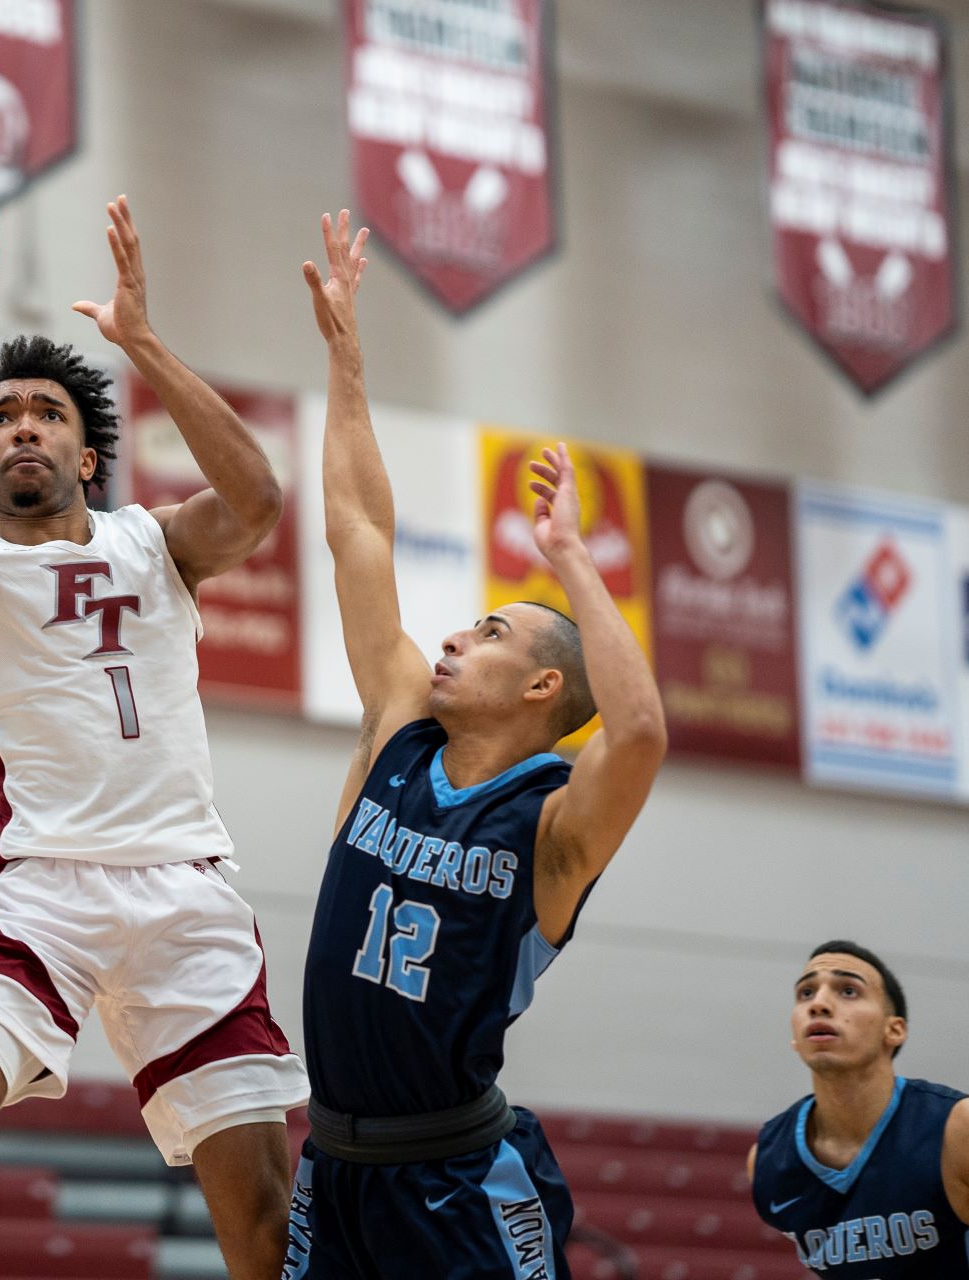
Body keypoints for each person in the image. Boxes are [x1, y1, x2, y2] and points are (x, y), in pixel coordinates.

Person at [0, 195, 308, 1279]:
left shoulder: (158, 543)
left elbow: (259, 497)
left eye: (46, 412)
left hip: (189, 893)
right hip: (41, 897)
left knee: (267, 1224)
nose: (23, 424)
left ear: (88, 457)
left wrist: (141, 345)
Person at [281, 210, 668, 1279]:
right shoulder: (400, 729)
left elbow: (637, 728)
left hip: (456, 1183)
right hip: (334, 1166)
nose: (452, 634)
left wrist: (571, 559)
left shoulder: (551, 825)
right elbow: (359, 528)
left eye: (489, 630)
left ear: (546, 684)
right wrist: (346, 358)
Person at [747, 941, 969, 1275]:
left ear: (893, 1030)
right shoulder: (768, 1162)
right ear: (795, 1037)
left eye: (848, 990)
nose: (819, 1004)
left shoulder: (956, 1128)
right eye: (806, 993)